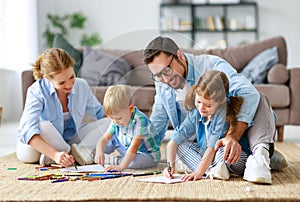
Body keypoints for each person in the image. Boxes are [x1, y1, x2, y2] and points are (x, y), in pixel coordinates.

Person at [143, 36, 287, 184]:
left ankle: (259, 154)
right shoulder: (163, 84)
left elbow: (248, 93)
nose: (165, 80)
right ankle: (250, 158)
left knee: (259, 97)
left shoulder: (211, 65)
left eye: (166, 70)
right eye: (158, 75)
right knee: (182, 148)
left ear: (179, 56)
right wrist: (135, 148)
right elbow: (158, 123)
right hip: (197, 145)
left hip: (223, 140)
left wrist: (233, 136)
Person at [17, 48, 110, 168]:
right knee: (41, 127)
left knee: (110, 122)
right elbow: (27, 131)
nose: (69, 85)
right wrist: (55, 155)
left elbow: (100, 113)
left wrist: (124, 118)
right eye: (61, 83)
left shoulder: (81, 85)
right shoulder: (36, 91)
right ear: (47, 78)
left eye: (72, 77)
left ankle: (76, 154)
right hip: (37, 145)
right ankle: (62, 155)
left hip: (68, 141)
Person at [164, 70, 249, 181]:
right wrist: (170, 166)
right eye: (198, 102)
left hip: (230, 156)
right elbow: (174, 141)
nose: (201, 108)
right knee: (180, 146)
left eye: (208, 105)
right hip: (208, 155)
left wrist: (198, 173)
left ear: (222, 101)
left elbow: (213, 147)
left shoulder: (223, 114)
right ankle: (213, 171)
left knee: (222, 152)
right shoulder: (196, 112)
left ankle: (209, 170)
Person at [92, 84, 161, 170]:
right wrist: (99, 151)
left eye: (119, 118)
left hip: (145, 154)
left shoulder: (140, 120)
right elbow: (104, 139)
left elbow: (134, 146)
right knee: (109, 141)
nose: (115, 122)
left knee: (135, 162)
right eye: (112, 118)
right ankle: (95, 155)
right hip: (126, 147)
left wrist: (121, 167)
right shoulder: (116, 120)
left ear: (131, 109)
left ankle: (115, 160)